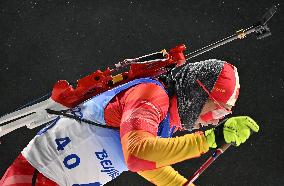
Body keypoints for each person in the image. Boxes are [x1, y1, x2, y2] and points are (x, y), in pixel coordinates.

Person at [0, 59, 259, 186]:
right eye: (213, 112)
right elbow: (138, 155)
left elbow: (146, 163)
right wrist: (211, 139)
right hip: (38, 177)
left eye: (220, 117)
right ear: (197, 93)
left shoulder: (165, 117)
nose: (209, 121)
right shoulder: (150, 95)